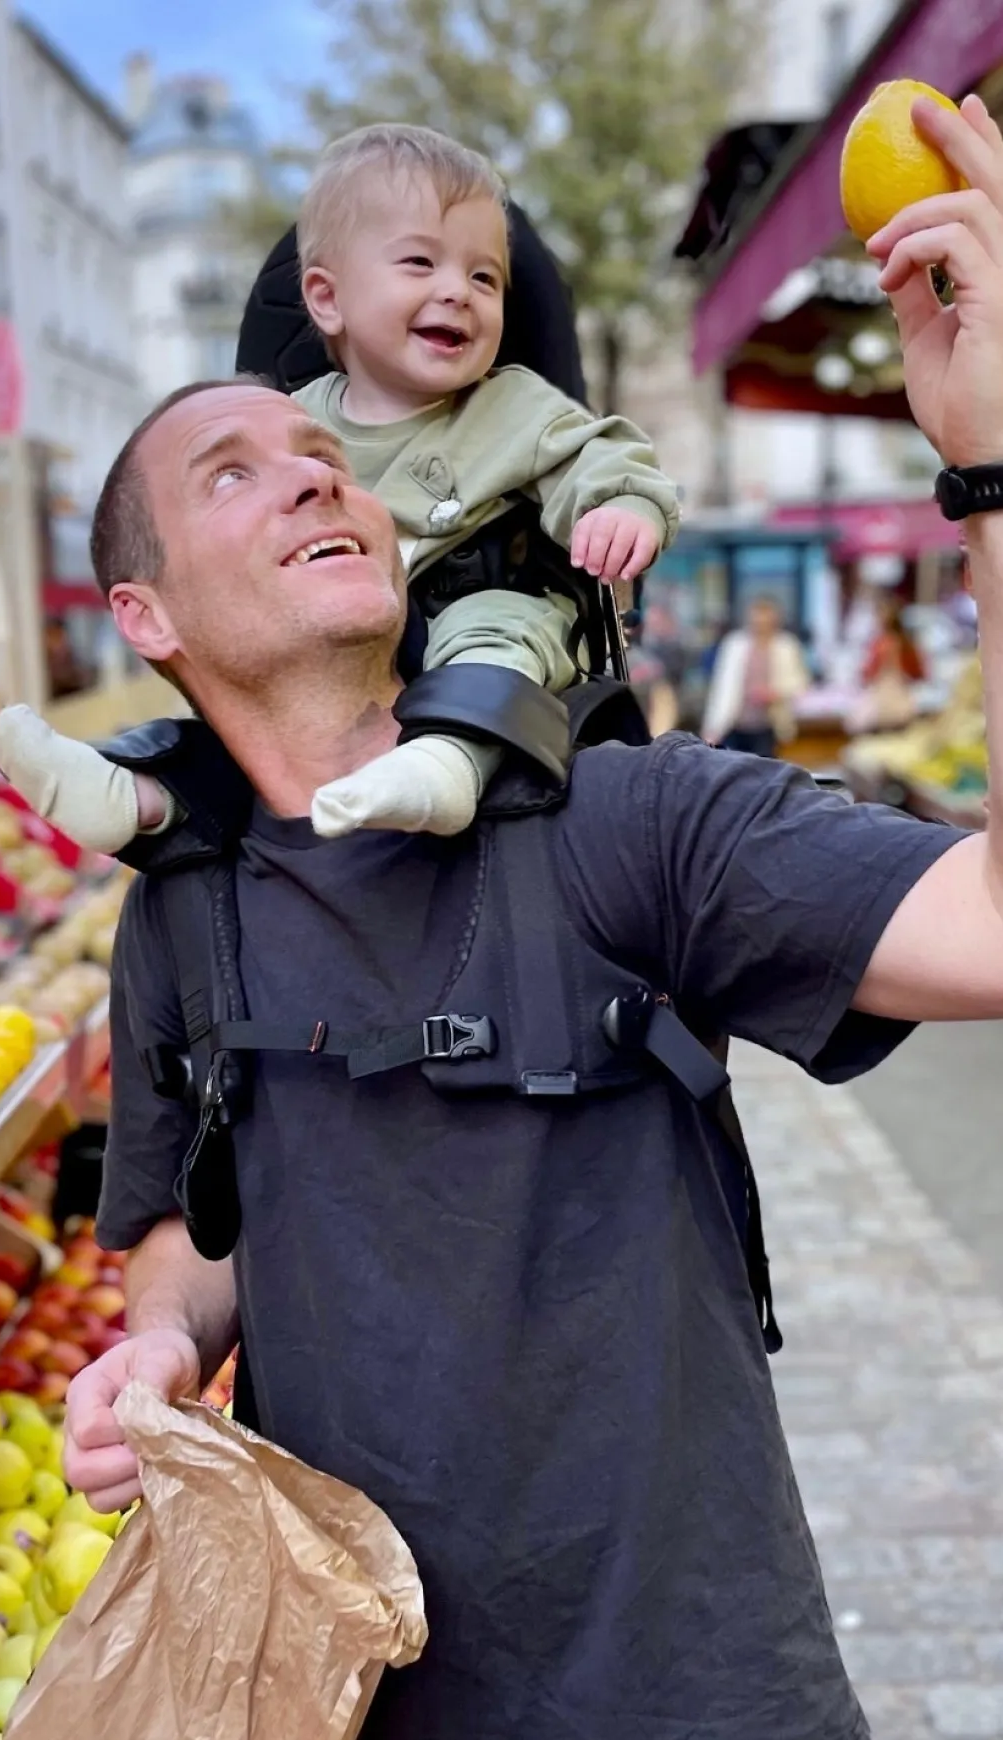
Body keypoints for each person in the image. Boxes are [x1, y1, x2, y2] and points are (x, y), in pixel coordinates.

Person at [63, 93, 1003, 1740]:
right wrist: (156, 1349)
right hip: (361, 1696)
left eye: (329, 462)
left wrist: (992, 465)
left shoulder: (634, 824)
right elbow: (198, 1230)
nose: (316, 480)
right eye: (238, 471)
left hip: (699, 1701)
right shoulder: (184, 910)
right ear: (145, 614)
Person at [0, 124, 678, 852]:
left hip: (484, 613)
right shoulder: (291, 421)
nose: (458, 291)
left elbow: (603, 455)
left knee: (495, 628)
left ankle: (450, 761)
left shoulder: (514, 406)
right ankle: (146, 796)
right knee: (262, 683)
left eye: (485, 279)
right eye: (420, 263)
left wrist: (620, 508)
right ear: (326, 298)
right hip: (344, 648)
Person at [701, 592, 810, 755]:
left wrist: (773, 693)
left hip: (770, 725)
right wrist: (712, 727)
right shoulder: (734, 644)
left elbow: (800, 684)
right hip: (735, 723)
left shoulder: (787, 646)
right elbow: (722, 687)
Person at [848, 593, 926, 733]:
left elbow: (868, 675)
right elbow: (920, 674)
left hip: (884, 706)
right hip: (903, 705)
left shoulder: (881, 644)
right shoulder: (907, 643)